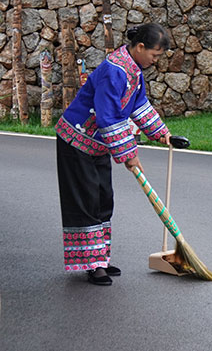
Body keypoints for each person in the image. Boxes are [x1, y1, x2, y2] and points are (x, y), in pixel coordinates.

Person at [55, 23, 172, 285]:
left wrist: (160, 132)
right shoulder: (113, 70)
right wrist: (129, 154)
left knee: (103, 198)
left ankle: (100, 258)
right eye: (154, 55)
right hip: (76, 141)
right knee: (86, 200)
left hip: (98, 145)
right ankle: (92, 264)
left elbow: (139, 103)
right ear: (140, 47)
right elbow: (108, 117)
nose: (155, 61)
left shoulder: (134, 70)